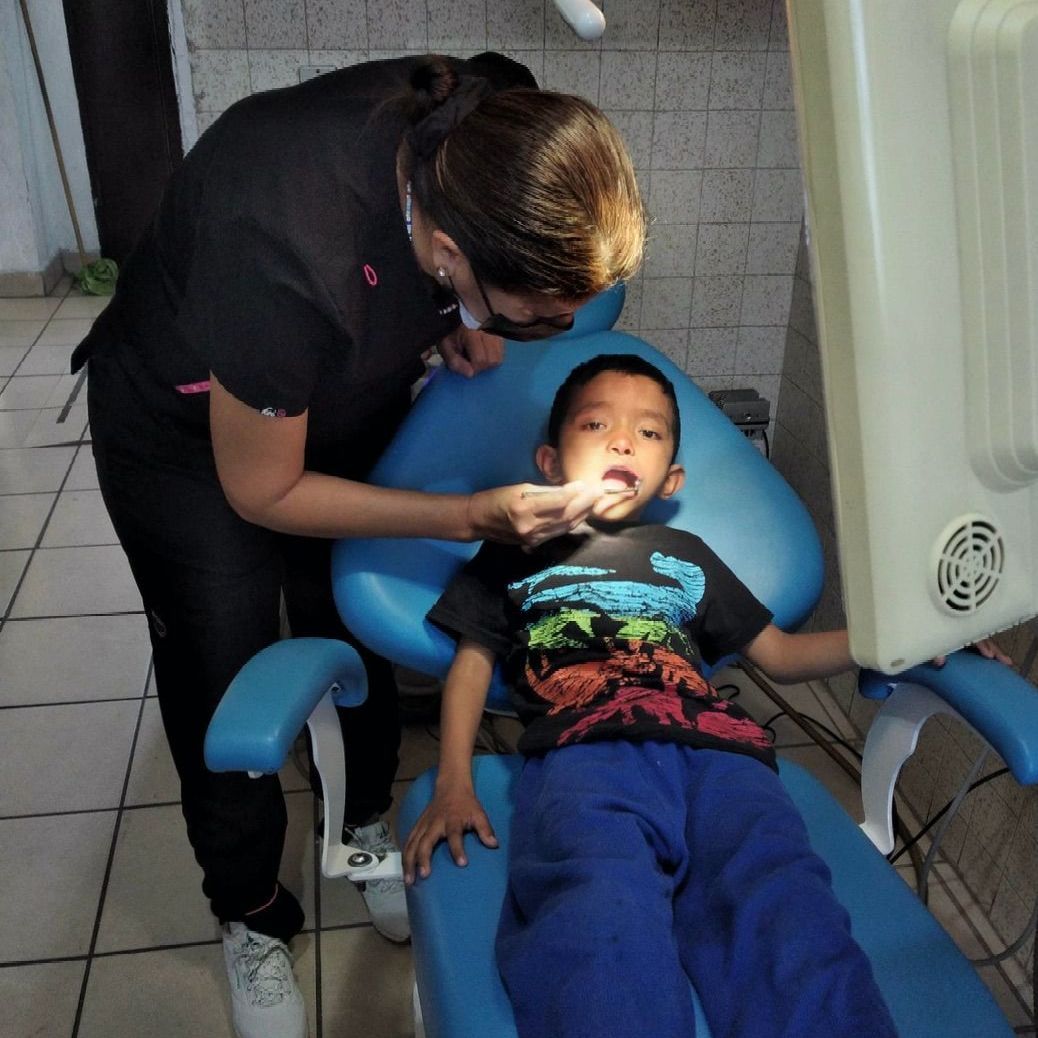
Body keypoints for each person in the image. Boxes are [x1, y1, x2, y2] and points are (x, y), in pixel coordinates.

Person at [72, 53, 645, 1038]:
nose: (552, 333)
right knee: (226, 659)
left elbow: (422, 295)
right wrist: (469, 517)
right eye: (537, 316)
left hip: (326, 388)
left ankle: (367, 819)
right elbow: (265, 488)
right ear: (458, 249)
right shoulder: (283, 242)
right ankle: (251, 912)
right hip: (188, 438)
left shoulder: (495, 120)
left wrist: (456, 325)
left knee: (354, 612)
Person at [403, 353, 902, 1038]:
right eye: (596, 423)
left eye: (649, 432)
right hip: (586, 751)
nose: (621, 441)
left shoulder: (686, 552)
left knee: (780, 898)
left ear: (671, 478)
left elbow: (781, 656)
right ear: (549, 461)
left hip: (719, 751)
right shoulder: (515, 548)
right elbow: (471, 663)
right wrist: (454, 780)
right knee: (597, 907)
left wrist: (896, 636)